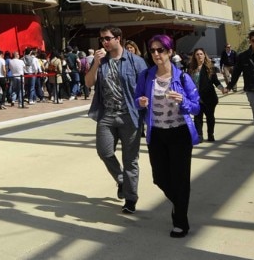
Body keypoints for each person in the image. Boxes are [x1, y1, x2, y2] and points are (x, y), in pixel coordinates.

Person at [135, 34, 201, 238]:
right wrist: (141, 102)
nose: (156, 54)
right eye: (152, 50)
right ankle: (178, 202)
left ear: (170, 52)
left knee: (180, 179)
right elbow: (136, 98)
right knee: (160, 177)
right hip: (157, 134)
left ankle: (180, 221)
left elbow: (197, 107)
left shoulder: (182, 77)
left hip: (179, 133)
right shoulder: (146, 76)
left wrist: (184, 101)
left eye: (160, 50)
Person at [85, 25, 148, 214]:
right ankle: (121, 179)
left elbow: (146, 87)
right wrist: (95, 63)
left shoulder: (136, 62)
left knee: (131, 160)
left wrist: (145, 104)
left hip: (130, 116)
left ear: (118, 38)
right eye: (101, 39)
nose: (103, 42)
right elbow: (89, 83)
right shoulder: (101, 62)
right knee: (104, 152)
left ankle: (130, 199)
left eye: (106, 38)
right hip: (107, 115)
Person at [187, 47, 223, 142]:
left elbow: (215, 81)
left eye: (201, 54)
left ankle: (210, 134)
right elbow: (187, 82)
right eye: (197, 54)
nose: (199, 56)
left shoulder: (210, 67)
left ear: (204, 55)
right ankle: (199, 135)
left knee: (210, 117)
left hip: (209, 97)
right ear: (194, 56)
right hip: (195, 98)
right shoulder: (191, 68)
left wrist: (222, 88)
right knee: (197, 117)